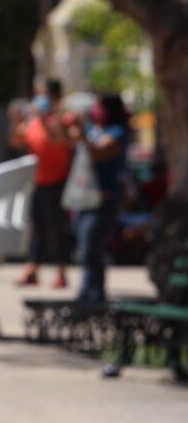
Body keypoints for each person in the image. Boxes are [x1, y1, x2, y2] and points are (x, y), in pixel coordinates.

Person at [9, 79, 75, 288]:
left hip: (58, 182)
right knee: (37, 228)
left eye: (44, 94)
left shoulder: (64, 119)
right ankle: (33, 268)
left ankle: (62, 271)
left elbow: (58, 142)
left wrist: (44, 121)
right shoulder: (32, 122)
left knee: (57, 228)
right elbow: (16, 141)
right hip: (37, 182)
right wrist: (17, 121)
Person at [69, 93, 130, 303]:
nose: (95, 110)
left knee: (91, 248)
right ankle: (87, 293)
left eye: (99, 106)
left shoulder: (117, 132)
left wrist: (82, 133)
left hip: (105, 200)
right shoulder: (96, 130)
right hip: (86, 199)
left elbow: (98, 152)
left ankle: (94, 295)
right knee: (85, 249)